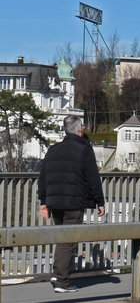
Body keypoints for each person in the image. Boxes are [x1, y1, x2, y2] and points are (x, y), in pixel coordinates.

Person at [37, 115, 106, 293]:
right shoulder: (84, 149)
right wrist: (100, 201)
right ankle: (61, 280)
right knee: (69, 241)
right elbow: (93, 177)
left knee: (62, 239)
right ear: (80, 130)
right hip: (73, 201)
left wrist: (44, 202)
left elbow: (43, 177)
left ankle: (58, 273)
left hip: (54, 202)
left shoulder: (53, 149)